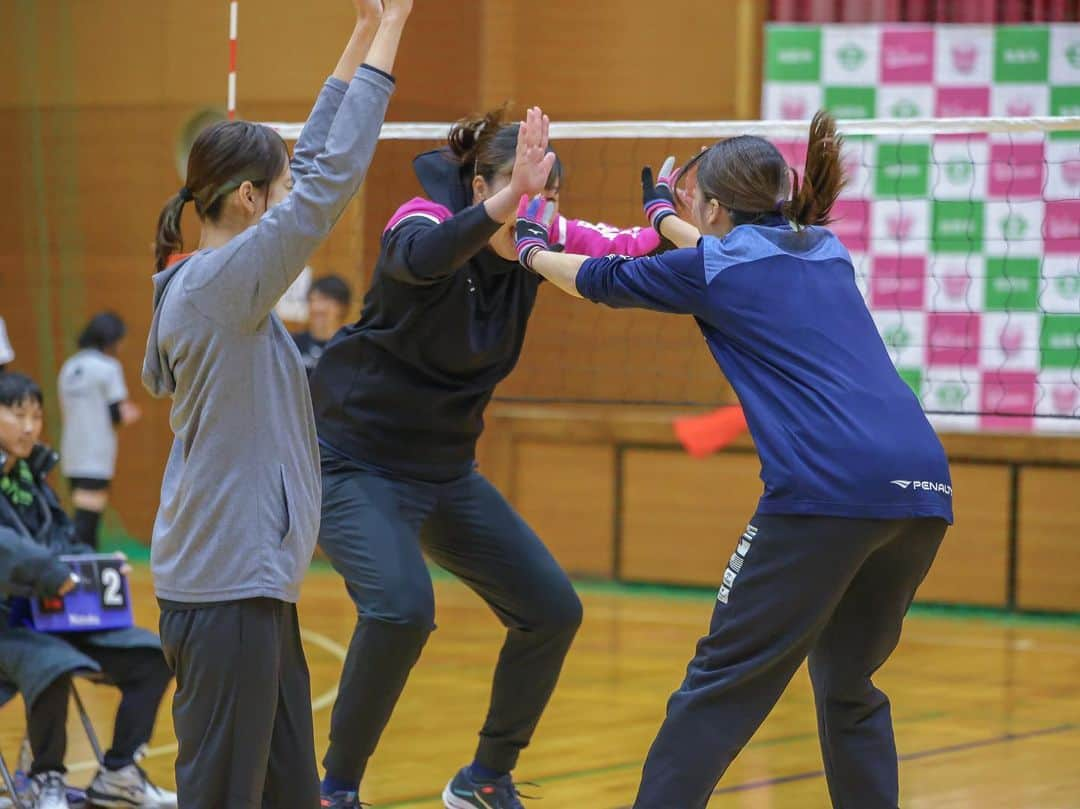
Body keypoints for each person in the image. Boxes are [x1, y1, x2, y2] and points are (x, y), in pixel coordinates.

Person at [513, 110, 953, 809]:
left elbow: (601, 278)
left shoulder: (717, 269)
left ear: (715, 207)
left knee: (718, 683)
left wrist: (532, 248)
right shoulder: (824, 250)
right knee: (848, 684)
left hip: (826, 492)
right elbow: (734, 256)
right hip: (923, 487)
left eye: (698, 210)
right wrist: (664, 217)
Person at [308, 106, 663, 809]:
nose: (537, 210)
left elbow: (625, 246)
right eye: (522, 191)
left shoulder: (539, 238)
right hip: (352, 462)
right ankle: (334, 788)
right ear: (480, 188)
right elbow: (419, 258)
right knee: (402, 610)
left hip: (443, 473)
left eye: (547, 195)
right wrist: (509, 202)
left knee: (551, 609)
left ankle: (485, 777)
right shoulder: (420, 219)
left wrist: (673, 218)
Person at [141, 3, 410, 807]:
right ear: (253, 202)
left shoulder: (218, 280)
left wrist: (361, 30)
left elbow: (312, 163)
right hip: (226, 590)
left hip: (251, 589)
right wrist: (395, 30)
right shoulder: (226, 284)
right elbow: (327, 182)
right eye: (279, 187)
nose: (292, 194)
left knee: (289, 791)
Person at [0, 373, 175, 809]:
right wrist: (48, 570)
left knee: (152, 656)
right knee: (54, 664)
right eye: (17, 414)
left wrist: (94, 568)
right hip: (7, 625)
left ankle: (117, 773)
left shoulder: (31, 479)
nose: (29, 427)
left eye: (36, 416)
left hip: (48, 616)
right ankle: (44, 779)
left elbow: (64, 540)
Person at [58, 312, 142, 549]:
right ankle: (78, 574)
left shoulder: (69, 366)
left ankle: (86, 573)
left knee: (84, 518)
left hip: (72, 453)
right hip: (95, 454)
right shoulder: (108, 368)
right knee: (86, 523)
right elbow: (117, 413)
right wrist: (132, 412)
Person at [292, 274, 353, 377]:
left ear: (342, 306)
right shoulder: (294, 345)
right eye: (312, 300)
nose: (317, 307)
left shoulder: (350, 348)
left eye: (324, 299)